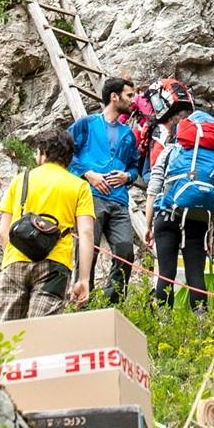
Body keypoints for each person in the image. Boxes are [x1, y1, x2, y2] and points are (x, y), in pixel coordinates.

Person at [142, 84, 214, 310]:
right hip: (199, 218)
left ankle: (163, 323)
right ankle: (200, 325)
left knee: (167, 273)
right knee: (196, 277)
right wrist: (210, 229)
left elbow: (153, 187)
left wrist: (148, 224)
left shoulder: (170, 151)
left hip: (168, 213)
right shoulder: (211, 156)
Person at [0, 124, 95, 319]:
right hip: (54, 265)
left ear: (43, 153)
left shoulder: (20, 180)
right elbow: (86, 233)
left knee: (4, 334)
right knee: (40, 335)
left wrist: (12, 259)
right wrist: (83, 279)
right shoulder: (80, 186)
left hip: (16, 260)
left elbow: (3, 232)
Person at [67, 76, 142, 302]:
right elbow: (64, 152)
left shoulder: (129, 135)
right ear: (114, 96)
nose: (134, 100)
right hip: (91, 197)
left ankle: (112, 303)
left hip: (120, 200)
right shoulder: (86, 124)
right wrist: (88, 174)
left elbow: (135, 167)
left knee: (126, 251)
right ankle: (82, 301)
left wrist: (127, 175)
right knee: (88, 250)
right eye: (130, 95)